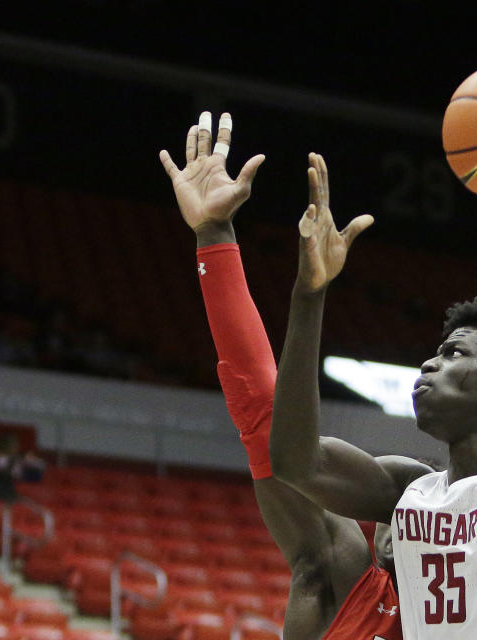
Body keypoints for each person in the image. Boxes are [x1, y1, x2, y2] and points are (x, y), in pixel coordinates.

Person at [270, 61, 477, 639]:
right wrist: (310, 295)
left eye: (455, 354)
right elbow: (295, 461)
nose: (431, 362)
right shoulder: (411, 491)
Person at [159, 112, 402, 640]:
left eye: (407, 508)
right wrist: (214, 235)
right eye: (387, 509)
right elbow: (263, 412)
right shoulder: (352, 581)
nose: (390, 523)